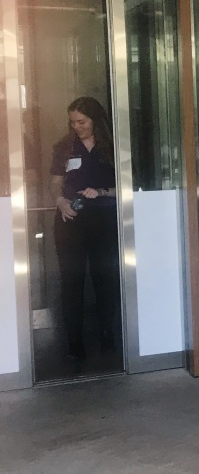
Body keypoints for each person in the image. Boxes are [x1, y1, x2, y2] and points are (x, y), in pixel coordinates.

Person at [50, 95, 120, 369]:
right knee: (71, 281)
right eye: (72, 122)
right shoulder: (64, 147)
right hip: (71, 219)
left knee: (105, 278)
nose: (76, 127)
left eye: (82, 121)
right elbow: (55, 182)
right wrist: (59, 200)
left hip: (104, 219)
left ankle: (107, 334)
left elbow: (128, 185)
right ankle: (74, 343)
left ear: (95, 120)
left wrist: (102, 191)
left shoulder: (113, 147)